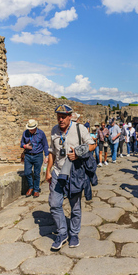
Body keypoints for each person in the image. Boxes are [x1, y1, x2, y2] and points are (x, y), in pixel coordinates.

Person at [46, 104, 96, 250]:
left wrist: (79, 152)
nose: (60, 120)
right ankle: (62, 233)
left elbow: (92, 145)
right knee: (54, 204)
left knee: (75, 207)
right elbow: (52, 152)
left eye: (63, 117)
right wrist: (48, 171)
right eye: (58, 117)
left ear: (69, 117)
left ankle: (74, 233)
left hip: (75, 173)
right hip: (57, 172)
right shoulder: (54, 130)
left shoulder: (80, 129)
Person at [21, 119, 49, 198]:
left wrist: (46, 156)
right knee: (27, 172)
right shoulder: (25, 133)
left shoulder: (41, 133)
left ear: (35, 127)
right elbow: (21, 143)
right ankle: (31, 187)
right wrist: (25, 146)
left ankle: (36, 190)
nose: (30, 130)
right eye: (29, 129)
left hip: (38, 156)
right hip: (28, 155)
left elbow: (45, 145)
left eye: (32, 129)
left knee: (37, 174)